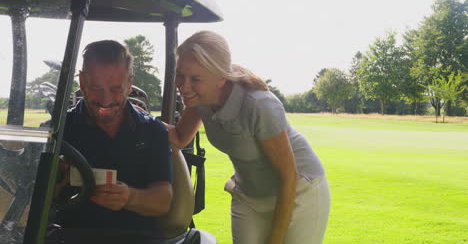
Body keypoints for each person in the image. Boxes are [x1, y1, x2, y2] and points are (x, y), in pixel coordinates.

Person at [165, 30, 330, 244]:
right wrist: (133, 114)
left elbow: (289, 175)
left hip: (299, 191)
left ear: (221, 78)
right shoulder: (199, 100)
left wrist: (276, 238)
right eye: (180, 74)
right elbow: (179, 138)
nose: (183, 86)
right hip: (249, 195)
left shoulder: (259, 105)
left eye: (195, 78)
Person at [51, 40, 173, 243]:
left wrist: (130, 197)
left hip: (135, 237)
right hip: (70, 235)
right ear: (82, 81)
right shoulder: (57, 130)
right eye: (96, 88)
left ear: (129, 84)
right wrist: (58, 179)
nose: (105, 100)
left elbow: (163, 201)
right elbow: (29, 198)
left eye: (116, 89)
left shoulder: (152, 131)